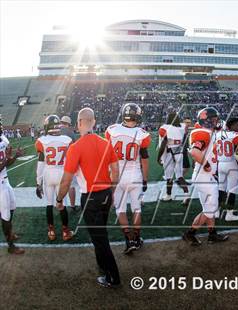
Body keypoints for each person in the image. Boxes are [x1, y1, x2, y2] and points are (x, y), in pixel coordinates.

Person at [56, 108, 120, 287]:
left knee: (100, 239)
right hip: (106, 193)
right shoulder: (106, 143)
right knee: (99, 235)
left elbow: (66, 181)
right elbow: (116, 170)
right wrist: (112, 192)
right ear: (93, 121)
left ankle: (113, 277)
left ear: (79, 123)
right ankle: (103, 268)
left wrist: (59, 199)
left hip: (90, 197)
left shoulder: (76, 147)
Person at [105, 103, 150, 255]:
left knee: (120, 209)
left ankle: (128, 240)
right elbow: (144, 159)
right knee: (137, 209)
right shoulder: (142, 133)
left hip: (117, 176)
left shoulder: (112, 130)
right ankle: (137, 239)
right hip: (135, 174)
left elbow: (107, 155)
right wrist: (145, 179)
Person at [182, 107, 228, 246]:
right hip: (205, 176)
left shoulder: (208, 131)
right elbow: (195, 152)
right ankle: (190, 233)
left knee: (208, 208)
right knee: (210, 209)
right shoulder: (202, 132)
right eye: (213, 119)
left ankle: (212, 234)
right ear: (206, 121)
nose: (216, 122)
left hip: (205, 176)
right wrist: (207, 165)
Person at [35, 115, 73, 241]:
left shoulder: (42, 141)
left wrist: (38, 183)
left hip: (48, 174)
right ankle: (65, 231)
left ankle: (51, 231)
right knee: (61, 204)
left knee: (49, 204)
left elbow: (40, 164)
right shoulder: (67, 140)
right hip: (62, 174)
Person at [0, 118, 25, 254]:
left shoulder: (2, 139)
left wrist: (14, 156)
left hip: (5, 180)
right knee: (5, 215)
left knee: (12, 207)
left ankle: (9, 232)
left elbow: (6, 163)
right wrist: (7, 158)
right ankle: (11, 246)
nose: (1, 126)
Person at [215, 117, 238, 221]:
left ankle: (216, 211)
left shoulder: (218, 134)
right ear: (232, 125)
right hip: (231, 164)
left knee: (221, 188)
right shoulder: (236, 136)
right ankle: (229, 214)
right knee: (232, 190)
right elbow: (237, 153)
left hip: (220, 163)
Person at [157, 113, 190, 201]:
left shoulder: (164, 128)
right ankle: (186, 195)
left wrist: (158, 157)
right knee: (180, 176)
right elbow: (184, 133)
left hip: (169, 153)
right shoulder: (181, 127)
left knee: (169, 177)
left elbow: (163, 144)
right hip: (179, 152)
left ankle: (168, 195)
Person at [60, 115, 78, 211]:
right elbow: (76, 147)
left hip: (57, 163)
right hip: (68, 161)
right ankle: (72, 205)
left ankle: (60, 204)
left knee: (59, 185)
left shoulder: (55, 131)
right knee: (71, 186)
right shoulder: (70, 132)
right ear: (68, 123)